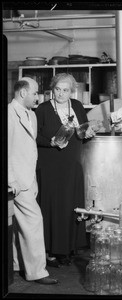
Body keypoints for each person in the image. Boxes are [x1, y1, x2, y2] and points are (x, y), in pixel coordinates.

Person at [35, 73, 95, 268]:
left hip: (72, 164)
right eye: (58, 89)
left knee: (72, 205)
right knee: (53, 206)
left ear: (72, 91)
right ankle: (51, 250)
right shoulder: (43, 109)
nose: (61, 93)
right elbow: (34, 136)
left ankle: (69, 248)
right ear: (52, 89)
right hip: (51, 164)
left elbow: (82, 132)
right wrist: (50, 142)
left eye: (66, 90)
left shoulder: (77, 106)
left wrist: (89, 133)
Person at [8, 77, 58, 285]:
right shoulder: (9, 115)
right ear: (22, 93)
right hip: (16, 179)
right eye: (35, 93)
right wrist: (11, 180)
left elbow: (30, 148)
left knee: (19, 224)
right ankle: (37, 272)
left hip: (28, 178)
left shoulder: (31, 115)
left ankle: (17, 265)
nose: (38, 97)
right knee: (34, 220)